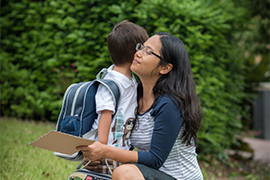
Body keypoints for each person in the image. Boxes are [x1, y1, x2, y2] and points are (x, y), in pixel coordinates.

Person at [78, 32, 204, 180]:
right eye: (141, 47)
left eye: (148, 51)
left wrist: (105, 152)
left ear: (165, 68)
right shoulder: (135, 95)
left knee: (124, 174)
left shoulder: (170, 104)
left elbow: (154, 159)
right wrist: (99, 158)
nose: (138, 53)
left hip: (178, 177)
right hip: (148, 173)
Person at [88, 20, 148, 174]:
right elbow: (105, 114)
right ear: (136, 51)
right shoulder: (111, 82)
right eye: (144, 48)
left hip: (120, 151)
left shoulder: (131, 80)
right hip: (107, 153)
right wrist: (102, 148)